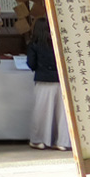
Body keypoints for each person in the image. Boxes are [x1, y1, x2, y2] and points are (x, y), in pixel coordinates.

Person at [26, 17, 71, 150]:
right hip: (61, 80)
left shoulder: (34, 44)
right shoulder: (60, 42)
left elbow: (31, 64)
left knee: (42, 112)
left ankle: (39, 140)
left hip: (43, 81)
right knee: (62, 113)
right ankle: (62, 142)